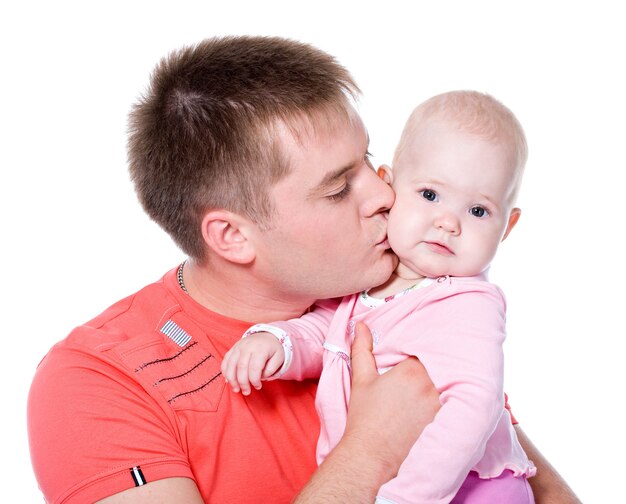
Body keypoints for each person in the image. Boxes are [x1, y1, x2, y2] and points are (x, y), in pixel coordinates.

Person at [27, 36, 579, 503]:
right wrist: (371, 450)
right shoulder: (98, 384)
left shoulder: (417, 301)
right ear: (233, 237)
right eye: (339, 187)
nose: (385, 195)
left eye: (370, 162)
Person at [222, 90, 538, 503]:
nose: (448, 223)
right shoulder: (370, 280)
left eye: (478, 211)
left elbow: (473, 406)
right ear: (391, 187)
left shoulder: (467, 304)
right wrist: (278, 342)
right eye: (429, 195)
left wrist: (406, 496)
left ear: (507, 227)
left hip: (474, 489)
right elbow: (330, 332)